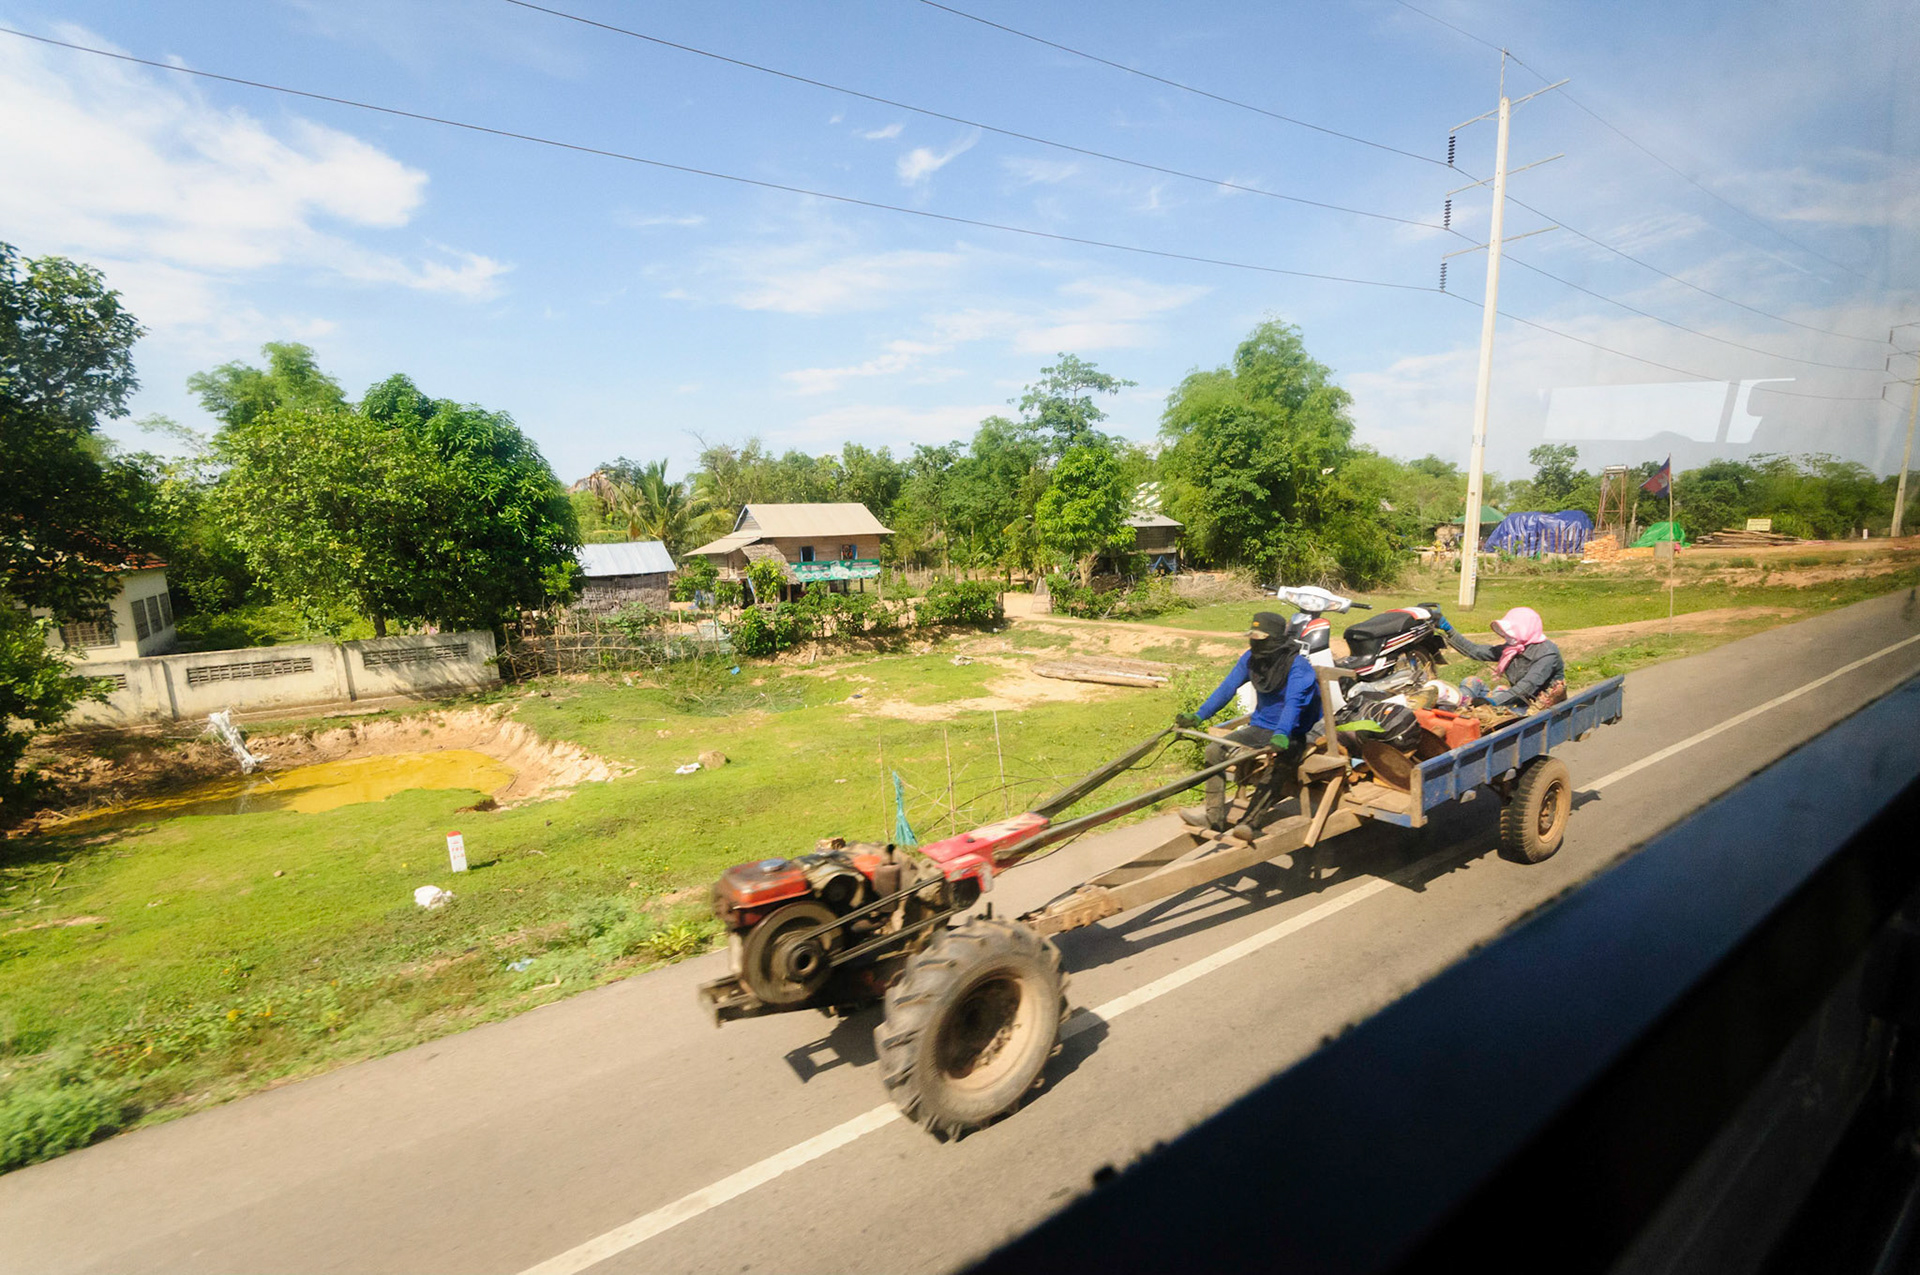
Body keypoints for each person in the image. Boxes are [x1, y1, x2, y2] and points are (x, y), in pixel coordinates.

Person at [1173, 611, 1323, 832]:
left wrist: (1281, 734)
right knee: (1214, 750)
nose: (1255, 643)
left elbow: (1293, 704)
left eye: (1260, 639)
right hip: (1261, 727)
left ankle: (1250, 823)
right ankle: (1214, 818)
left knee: (1279, 762)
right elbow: (1227, 688)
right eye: (1252, 637)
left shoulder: (1297, 666)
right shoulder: (1251, 659)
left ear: (1274, 639)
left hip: (1297, 731)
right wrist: (1198, 716)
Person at [1439, 605, 1567, 710]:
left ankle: (1467, 709)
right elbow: (1475, 651)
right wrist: (1448, 629)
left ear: (1526, 629)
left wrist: (1492, 702)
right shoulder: (1512, 648)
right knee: (1471, 681)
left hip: (1532, 705)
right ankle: (1455, 706)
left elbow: (1525, 688)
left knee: (1502, 699)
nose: (1507, 636)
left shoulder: (1548, 655)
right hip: (1514, 697)